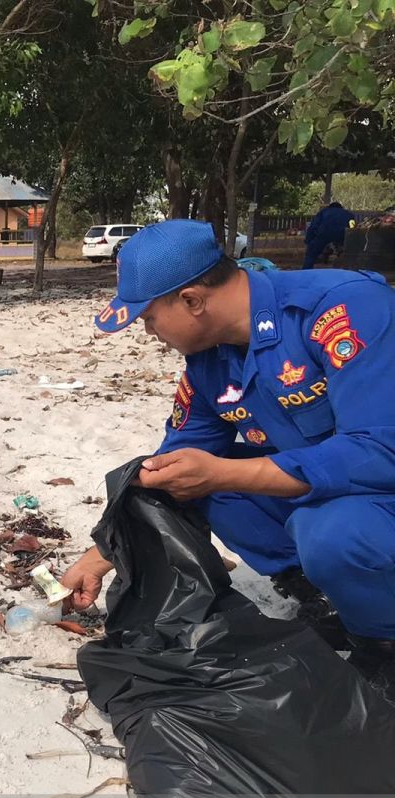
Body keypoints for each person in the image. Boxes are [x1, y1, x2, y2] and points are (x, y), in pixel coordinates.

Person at [62, 218, 395, 702]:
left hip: (377, 491)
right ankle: (326, 598)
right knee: (189, 480)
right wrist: (103, 554)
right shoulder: (210, 360)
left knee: (329, 532)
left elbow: (379, 451)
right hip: (342, 496)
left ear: (193, 300)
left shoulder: (342, 310)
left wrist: (223, 471)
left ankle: (382, 643)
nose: (150, 333)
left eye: (150, 318)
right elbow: (174, 460)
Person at [303, 201, 356, 270]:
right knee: (346, 253)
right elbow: (353, 228)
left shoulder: (323, 212)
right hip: (342, 235)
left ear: (330, 207)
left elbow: (313, 227)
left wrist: (308, 241)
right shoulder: (349, 214)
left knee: (311, 254)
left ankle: (306, 271)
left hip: (324, 234)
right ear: (341, 208)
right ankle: (350, 271)